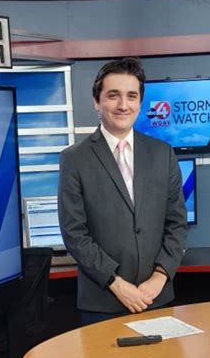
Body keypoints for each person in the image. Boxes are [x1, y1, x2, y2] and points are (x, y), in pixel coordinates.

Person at [58, 57, 188, 326]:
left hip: (155, 297)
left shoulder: (163, 154)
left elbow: (176, 223)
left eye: (131, 96)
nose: (123, 105)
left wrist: (160, 277)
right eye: (113, 95)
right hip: (103, 301)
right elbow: (74, 233)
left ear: (140, 103)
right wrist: (116, 284)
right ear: (97, 102)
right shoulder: (74, 159)